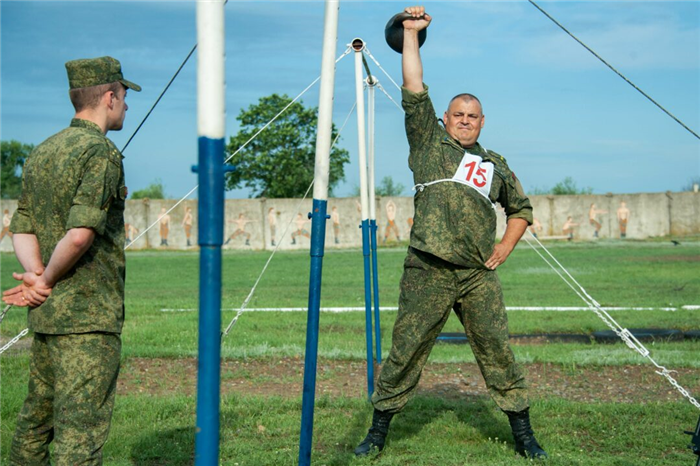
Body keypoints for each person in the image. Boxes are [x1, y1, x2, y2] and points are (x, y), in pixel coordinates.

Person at [354, 7, 547, 459]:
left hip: (477, 275)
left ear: (482, 122)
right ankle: (377, 433)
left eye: (473, 116)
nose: (465, 120)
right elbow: (414, 86)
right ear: (445, 117)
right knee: (404, 353)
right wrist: (411, 34)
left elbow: (520, 209)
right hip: (427, 269)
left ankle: (524, 436)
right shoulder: (427, 140)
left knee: (497, 353)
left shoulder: (494, 163)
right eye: (458, 114)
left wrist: (504, 245)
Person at [2, 56, 140, 465]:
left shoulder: (43, 151)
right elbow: (79, 235)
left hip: (47, 316)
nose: (127, 106)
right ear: (109, 97)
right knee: (79, 437)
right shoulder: (101, 152)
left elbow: (21, 225)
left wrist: (36, 275)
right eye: (125, 96)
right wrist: (45, 280)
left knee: (34, 425)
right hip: (87, 317)